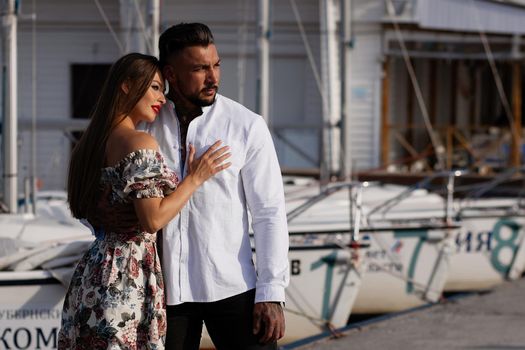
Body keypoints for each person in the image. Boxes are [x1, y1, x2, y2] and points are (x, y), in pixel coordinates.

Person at [58, 52, 230, 349]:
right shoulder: (139, 143)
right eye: (154, 87)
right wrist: (195, 178)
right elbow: (152, 219)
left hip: (93, 271)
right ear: (126, 86)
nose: (161, 98)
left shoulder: (90, 144)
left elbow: (88, 210)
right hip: (126, 275)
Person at [143, 22, 290, 349]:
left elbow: (269, 213)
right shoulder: (145, 127)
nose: (213, 78)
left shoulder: (246, 126)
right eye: (199, 69)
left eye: (216, 65)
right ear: (171, 74)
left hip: (233, 287)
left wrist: (271, 292)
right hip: (165, 293)